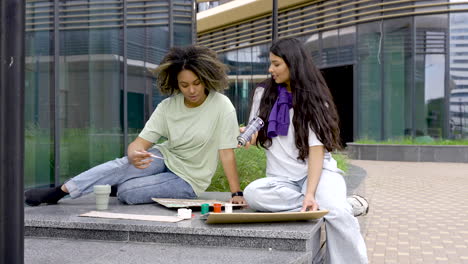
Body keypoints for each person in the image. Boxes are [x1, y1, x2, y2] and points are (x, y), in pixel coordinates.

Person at [25, 45, 246, 206]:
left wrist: (236, 192)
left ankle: (118, 185)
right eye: (185, 85)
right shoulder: (168, 107)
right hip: (166, 157)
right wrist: (133, 154)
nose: (192, 90)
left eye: (197, 83)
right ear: (176, 84)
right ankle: (59, 192)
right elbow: (139, 143)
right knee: (121, 164)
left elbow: (226, 153)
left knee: (128, 193)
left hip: (190, 179)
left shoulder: (222, 106)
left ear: (206, 79)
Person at [240, 38, 368, 263]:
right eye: (270, 63)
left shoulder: (314, 100)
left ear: (293, 63)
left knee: (337, 215)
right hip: (281, 180)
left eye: (276, 64)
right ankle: (339, 203)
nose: (271, 69)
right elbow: (257, 128)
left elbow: (317, 151)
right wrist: (248, 134)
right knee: (253, 193)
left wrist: (310, 193)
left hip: (319, 174)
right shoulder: (263, 94)